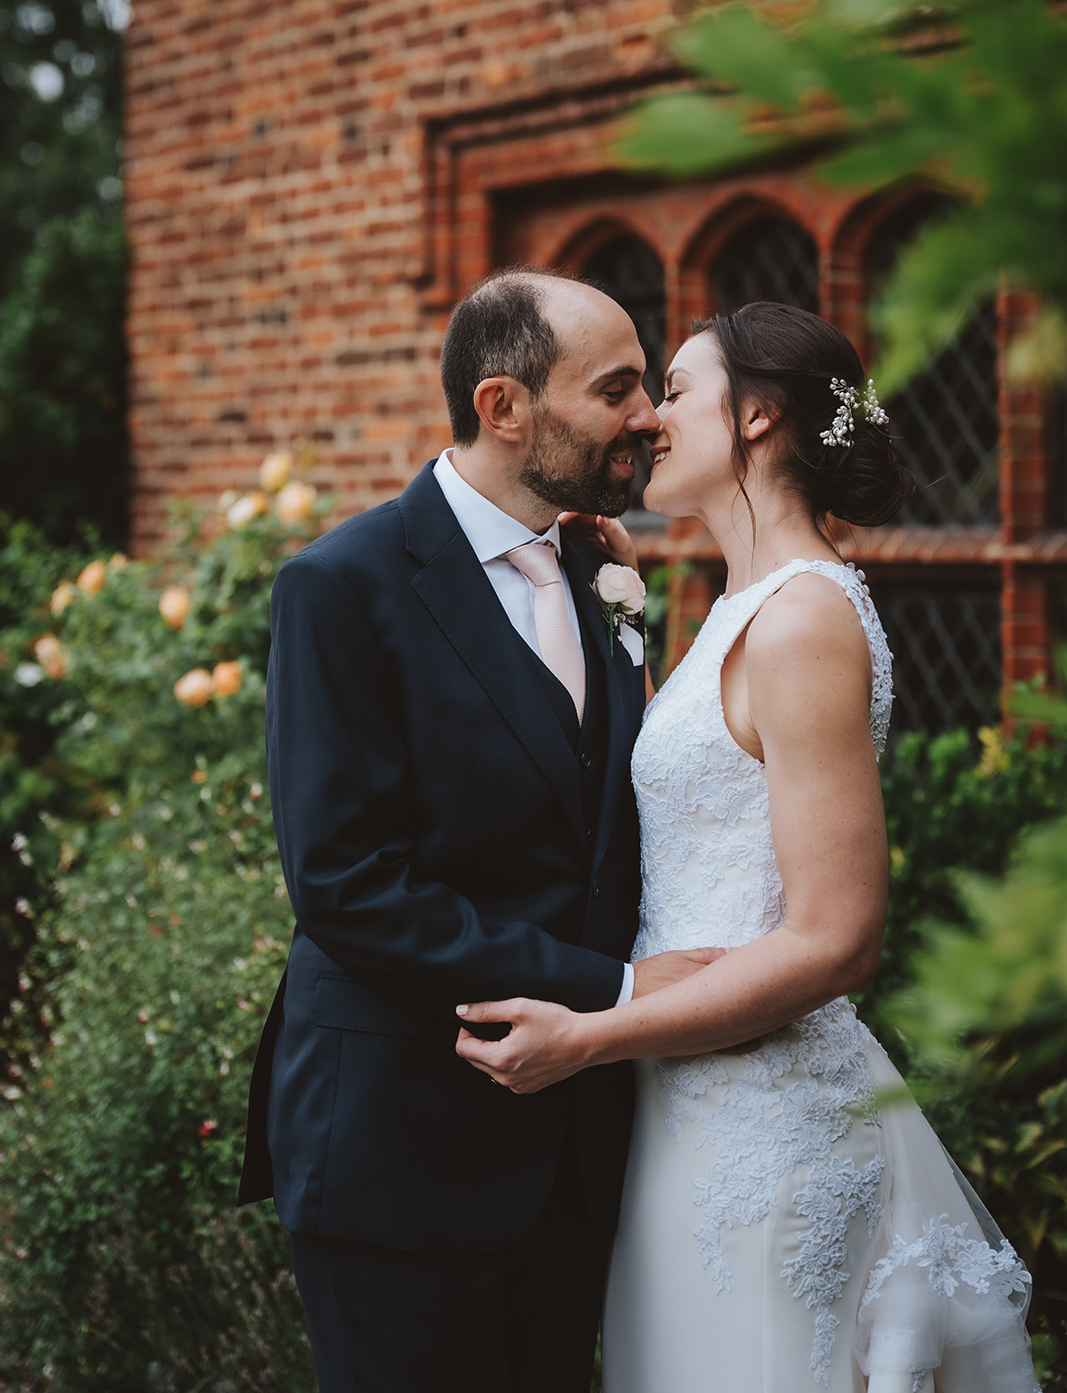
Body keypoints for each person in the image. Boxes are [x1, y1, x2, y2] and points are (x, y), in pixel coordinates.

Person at [456, 302, 1040, 1393]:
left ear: (760, 416)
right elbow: (690, 799)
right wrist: (615, 605)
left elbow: (832, 940)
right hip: (687, 1108)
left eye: (673, 388)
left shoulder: (803, 618)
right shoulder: (742, 609)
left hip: (765, 1130)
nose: (648, 417)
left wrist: (592, 1034)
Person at [237, 269, 718, 1393]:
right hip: (401, 1152)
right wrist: (619, 988)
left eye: (647, 385)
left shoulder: (600, 569)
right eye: (617, 388)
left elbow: (593, 825)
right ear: (504, 407)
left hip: (574, 1158)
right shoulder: (340, 588)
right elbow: (347, 885)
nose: (647, 416)